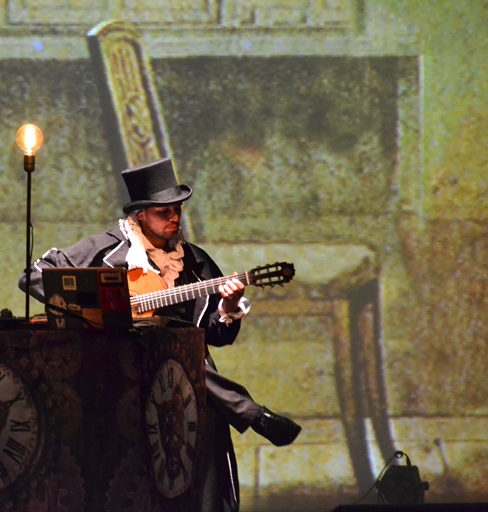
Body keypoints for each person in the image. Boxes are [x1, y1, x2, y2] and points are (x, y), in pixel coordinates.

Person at [19, 158, 300, 511]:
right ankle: (251, 414)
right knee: (162, 349)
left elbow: (215, 335)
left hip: (182, 376)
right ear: (140, 215)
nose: (174, 218)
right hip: (116, 369)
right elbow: (34, 276)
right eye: (163, 212)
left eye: (177, 210)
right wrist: (100, 305)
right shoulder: (108, 248)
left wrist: (228, 308)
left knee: (182, 364)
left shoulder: (194, 262)